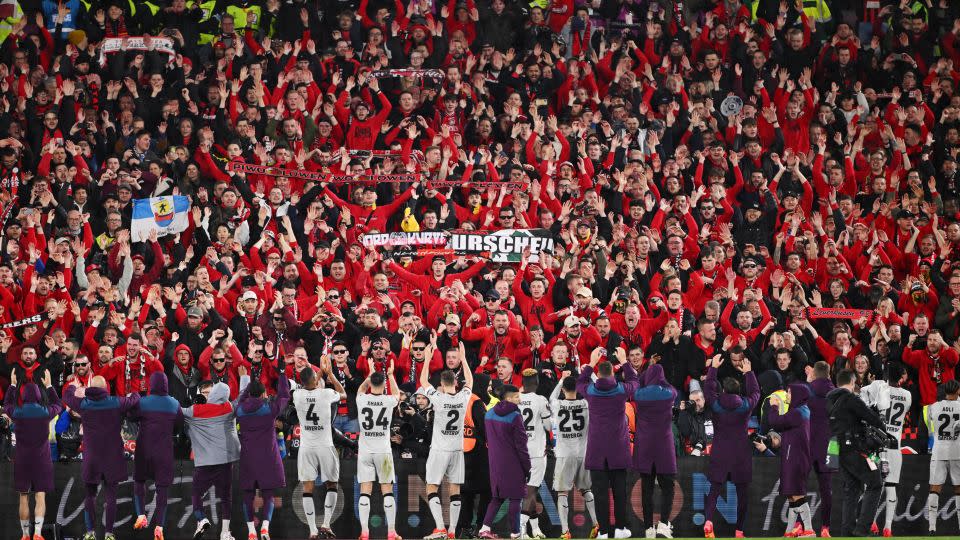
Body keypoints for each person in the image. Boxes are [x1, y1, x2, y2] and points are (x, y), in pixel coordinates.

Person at [63, 376, 140, 540]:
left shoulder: (84, 404)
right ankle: (109, 534)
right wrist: (133, 392)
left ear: (91, 387)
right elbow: (135, 399)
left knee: (90, 495)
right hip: (113, 456)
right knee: (111, 496)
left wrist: (72, 386)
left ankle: (90, 532)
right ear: (105, 388)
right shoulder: (116, 402)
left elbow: (67, 397)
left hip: (92, 457)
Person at [182, 373, 250, 540]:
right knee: (226, 497)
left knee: (196, 494)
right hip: (226, 461)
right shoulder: (228, 407)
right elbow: (243, 396)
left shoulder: (194, 410)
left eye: (209, 393)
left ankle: (201, 518)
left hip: (205, 462)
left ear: (212, 394)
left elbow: (175, 412)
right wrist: (245, 378)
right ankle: (225, 532)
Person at [577, 347, 636, 539]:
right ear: (612, 372)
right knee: (620, 492)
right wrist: (625, 361)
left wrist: (590, 363)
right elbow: (635, 382)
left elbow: (579, 384)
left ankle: (602, 530)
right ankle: (620, 528)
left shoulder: (591, 392)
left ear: (598, 374)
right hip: (618, 449)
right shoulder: (620, 390)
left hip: (596, 450)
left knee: (600, 494)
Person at [419, 342, 474, 540]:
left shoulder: (438, 397)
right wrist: (464, 358)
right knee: (455, 489)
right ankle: (451, 533)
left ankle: (440, 527)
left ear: (442, 385)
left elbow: (423, 380)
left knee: (432, 486)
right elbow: (470, 381)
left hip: (440, 449)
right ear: (455, 384)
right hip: (457, 450)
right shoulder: (463, 397)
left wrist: (426, 358)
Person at [702, 355, 759, 539]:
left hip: (720, 451)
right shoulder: (745, 405)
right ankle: (739, 531)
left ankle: (709, 521)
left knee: (714, 489)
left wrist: (714, 368)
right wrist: (749, 373)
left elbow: (708, 389)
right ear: (738, 390)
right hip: (741, 453)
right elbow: (756, 393)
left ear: (724, 390)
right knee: (742, 494)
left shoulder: (717, 404)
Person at [292, 363, 347, 540]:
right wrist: (329, 374)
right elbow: (343, 394)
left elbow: (309, 383)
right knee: (332, 484)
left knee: (307, 488)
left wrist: (319, 374)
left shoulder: (297, 395)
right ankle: (326, 524)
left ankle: (313, 531)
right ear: (316, 381)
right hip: (325, 445)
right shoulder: (326, 394)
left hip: (307, 447)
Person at [827, 369, 886, 537]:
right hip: (855, 447)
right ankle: (862, 529)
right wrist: (880, 419)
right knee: (875, 483)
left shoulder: (829, 399)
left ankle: (847, 531)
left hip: (836, 448)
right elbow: (871, 418)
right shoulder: (851, 398)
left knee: (852, 490)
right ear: (852, 383)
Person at [4, 370, 61, 540]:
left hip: (22, 460)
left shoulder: (17, 412)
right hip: (42, 460)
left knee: (23, 496)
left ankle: (25, 534)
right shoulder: (45, 411)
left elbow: (6, 404)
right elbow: (58, 403)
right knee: (40, 495)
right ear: (38, 396)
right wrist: (50, 385)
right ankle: (37, 534)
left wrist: (12, 386)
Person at [236, 365, 291, 540]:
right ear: (263, 394)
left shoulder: (240, 410)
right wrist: (282, 374)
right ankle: (265, 528)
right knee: (268, 494)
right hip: (268, 457)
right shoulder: (269, 409)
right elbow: (284, 395)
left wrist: (248, 386)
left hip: (247, 459)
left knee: (248, 495)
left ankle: (251, 531)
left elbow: (241, 399)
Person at [860, 362, 911, 537]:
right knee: (891, 485)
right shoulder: (907, 395)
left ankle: (872, 522)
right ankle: (888, 527)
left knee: (872, 484)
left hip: (876, 445)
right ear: (901, 377)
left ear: (886, 375)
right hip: (894, 446)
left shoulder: (878, 387)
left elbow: (864, 394)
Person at [130, 372, 183, 540]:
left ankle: (141, 515)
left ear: (151, 384)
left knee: (139, 481)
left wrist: (142, 397)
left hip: (143, 449)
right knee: (162, 490)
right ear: (166, 384)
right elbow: (179, 426)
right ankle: (159, 526)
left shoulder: (143, 402)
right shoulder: (174, 403)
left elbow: (131, 416)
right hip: (164, 451)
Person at [356, 359, 401, 540]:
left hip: (365, 451)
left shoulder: (362, 399)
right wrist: (390, 375)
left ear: (371, 384)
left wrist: (369, 375)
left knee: (365, 490)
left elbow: (360, 389)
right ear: (383, 385)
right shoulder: (388, 400)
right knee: (387, 491)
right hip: (383, 452)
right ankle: (391, 532)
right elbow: (397, 394)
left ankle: (364, 532)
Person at [478, 385, 530, 540]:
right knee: (516, 498)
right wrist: (526, 467)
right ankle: (515, 533)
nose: (519, 399)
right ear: (508, 398)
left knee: (497, 497)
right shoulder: (515, 416)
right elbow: (521, 446)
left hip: (494, 463)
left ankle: (484, 529)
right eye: (516, 397)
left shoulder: (489, 413)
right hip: (513, 463)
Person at [633, 363, 677, 539]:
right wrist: (661, 378)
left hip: (645, 446)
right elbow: (671, 388)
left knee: (647, 489)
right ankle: (664, 525)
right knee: (668, 488)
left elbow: (638, 383)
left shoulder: (639, 394)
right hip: (664, 446)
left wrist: (644, 376)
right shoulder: (668, 393)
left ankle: (648, 529)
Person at [768, 382, 815, 537]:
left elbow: (775, 422)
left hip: (796, 458)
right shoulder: (800, 411)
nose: (787, 395)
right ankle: (789, 531)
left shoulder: (798, 412)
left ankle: (808, 529)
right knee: (791, 495)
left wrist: (774, 406)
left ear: (797, 395)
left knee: (797, 494)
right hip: (794, 457)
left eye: (789, 392)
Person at [517, 368, 551, 539]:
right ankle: (521, 529)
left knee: (529, 491)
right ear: (537, 383)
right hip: (536, 452)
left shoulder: (514, 400)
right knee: (531, 490)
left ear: (522, 383)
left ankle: (535, 528)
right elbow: (548, 427)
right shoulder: (541, 400)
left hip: (518, 452)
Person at [926, 379, 960, 534]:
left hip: (939, 451)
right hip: (957, 451)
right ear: (958, 391)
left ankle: (932, 527)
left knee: (935, 488)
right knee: (958, 489)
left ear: (945, 391)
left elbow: (929, 426)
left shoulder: (934, 407)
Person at [807, 362, 836, 537]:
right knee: (827, 488)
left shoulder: (807, 390)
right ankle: (825, 527)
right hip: (832, 444)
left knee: (800, 484)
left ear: (815, 374)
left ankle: (799, 525)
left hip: (809, 441)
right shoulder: (836, 392)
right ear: (829, 374)